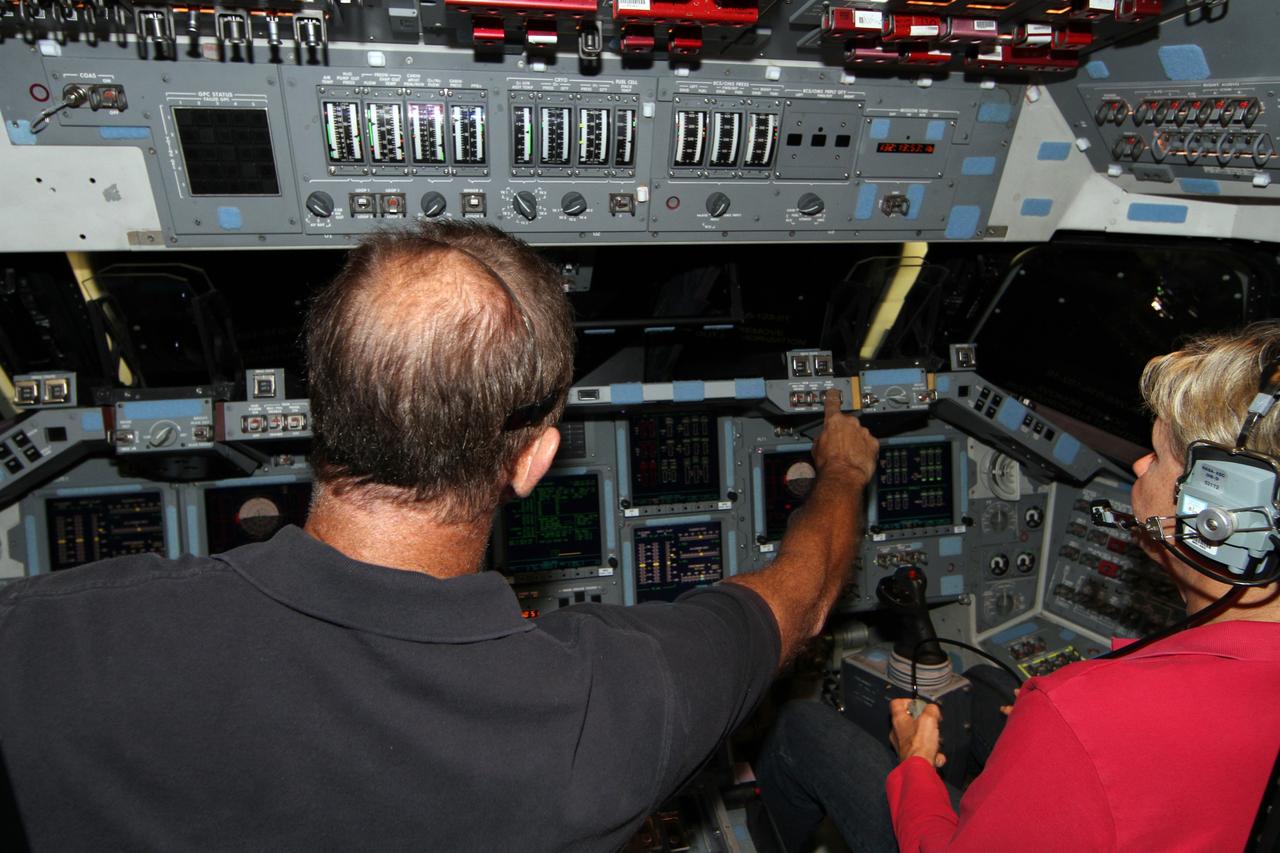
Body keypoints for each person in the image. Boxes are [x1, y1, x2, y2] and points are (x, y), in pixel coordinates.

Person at [0, 222, 880, 851]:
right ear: (535, 459)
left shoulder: (46, 642)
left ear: (324, 410)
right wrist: (841, 472)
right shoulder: (599, 712)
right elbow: (800, 598)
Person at [758, 322, 1280, 853]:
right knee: (984, 677)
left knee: (797, 725)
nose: (1139, 465)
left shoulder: (1085, 715)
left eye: (1160, 455)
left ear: (1223, 519)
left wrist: (915, 765)